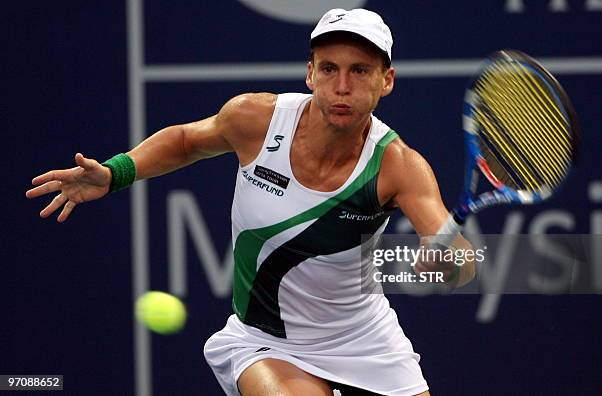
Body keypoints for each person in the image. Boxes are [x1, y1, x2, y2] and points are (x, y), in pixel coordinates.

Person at [26, 8, 475, 396]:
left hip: (365, 340)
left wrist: (446, 262)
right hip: (264, 339)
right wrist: (114, 173)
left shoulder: (399, 166)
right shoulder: (255, 119)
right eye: (328, 68)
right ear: (310, 73)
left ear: (386, 80)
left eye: (359, 70)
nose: (342, 86)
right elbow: (185, 142)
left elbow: (462, 265)